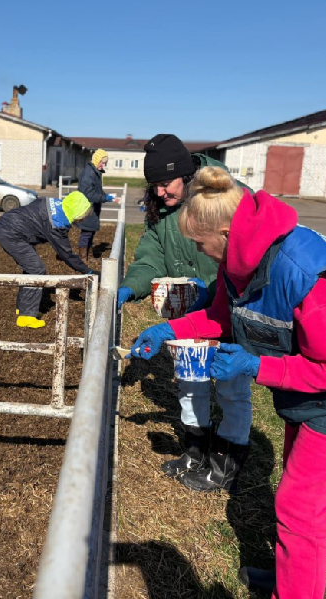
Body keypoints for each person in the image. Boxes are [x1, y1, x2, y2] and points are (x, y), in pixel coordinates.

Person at [131, 166, 326, 598]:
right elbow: (222, 316)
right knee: (307, 505)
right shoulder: (239, 259)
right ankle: (296, 576)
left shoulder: (308, 274)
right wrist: (171, 330)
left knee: (299, 508)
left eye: (201, 244)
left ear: (223, 233)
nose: (202, 253)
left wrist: (255, 366)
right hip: (307, 384)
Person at [117, 134, 254, 493]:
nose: (160, 192)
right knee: (191, 384)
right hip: (192, 313)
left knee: (230, 387)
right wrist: (130, 286)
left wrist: (213, 289)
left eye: (165, 183)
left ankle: (226, 462)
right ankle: (195, 452)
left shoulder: (223, 199)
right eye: (155, 186)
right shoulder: (161, 215)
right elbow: (150, 258)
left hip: (228, 307)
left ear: (186, 175)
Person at [0, 191, 97, 329]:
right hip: (11, 234)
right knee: (37, 269)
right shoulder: (57, 224)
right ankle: (26, 318)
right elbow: (67, 255)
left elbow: (36, 208)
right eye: (82, 217)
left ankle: (22, 308)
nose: (81, 221)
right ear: (77, 213)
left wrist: (61, 251)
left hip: (8, 222)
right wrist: (88, 271)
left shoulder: (54, 204)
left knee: (30, 268)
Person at [75, 149, 121, 263]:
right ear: (96, 160)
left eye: (105, 163)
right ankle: (83, 259)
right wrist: (106, 198)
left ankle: (88, 256)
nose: (103, 165)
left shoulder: (95, 172)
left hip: (92, 209)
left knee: (90, 232)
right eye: (102, 162)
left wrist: (108, 196)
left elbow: (97, 191)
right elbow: (89, 194)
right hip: (86, 208)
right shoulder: (89, 174)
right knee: (86, 233)